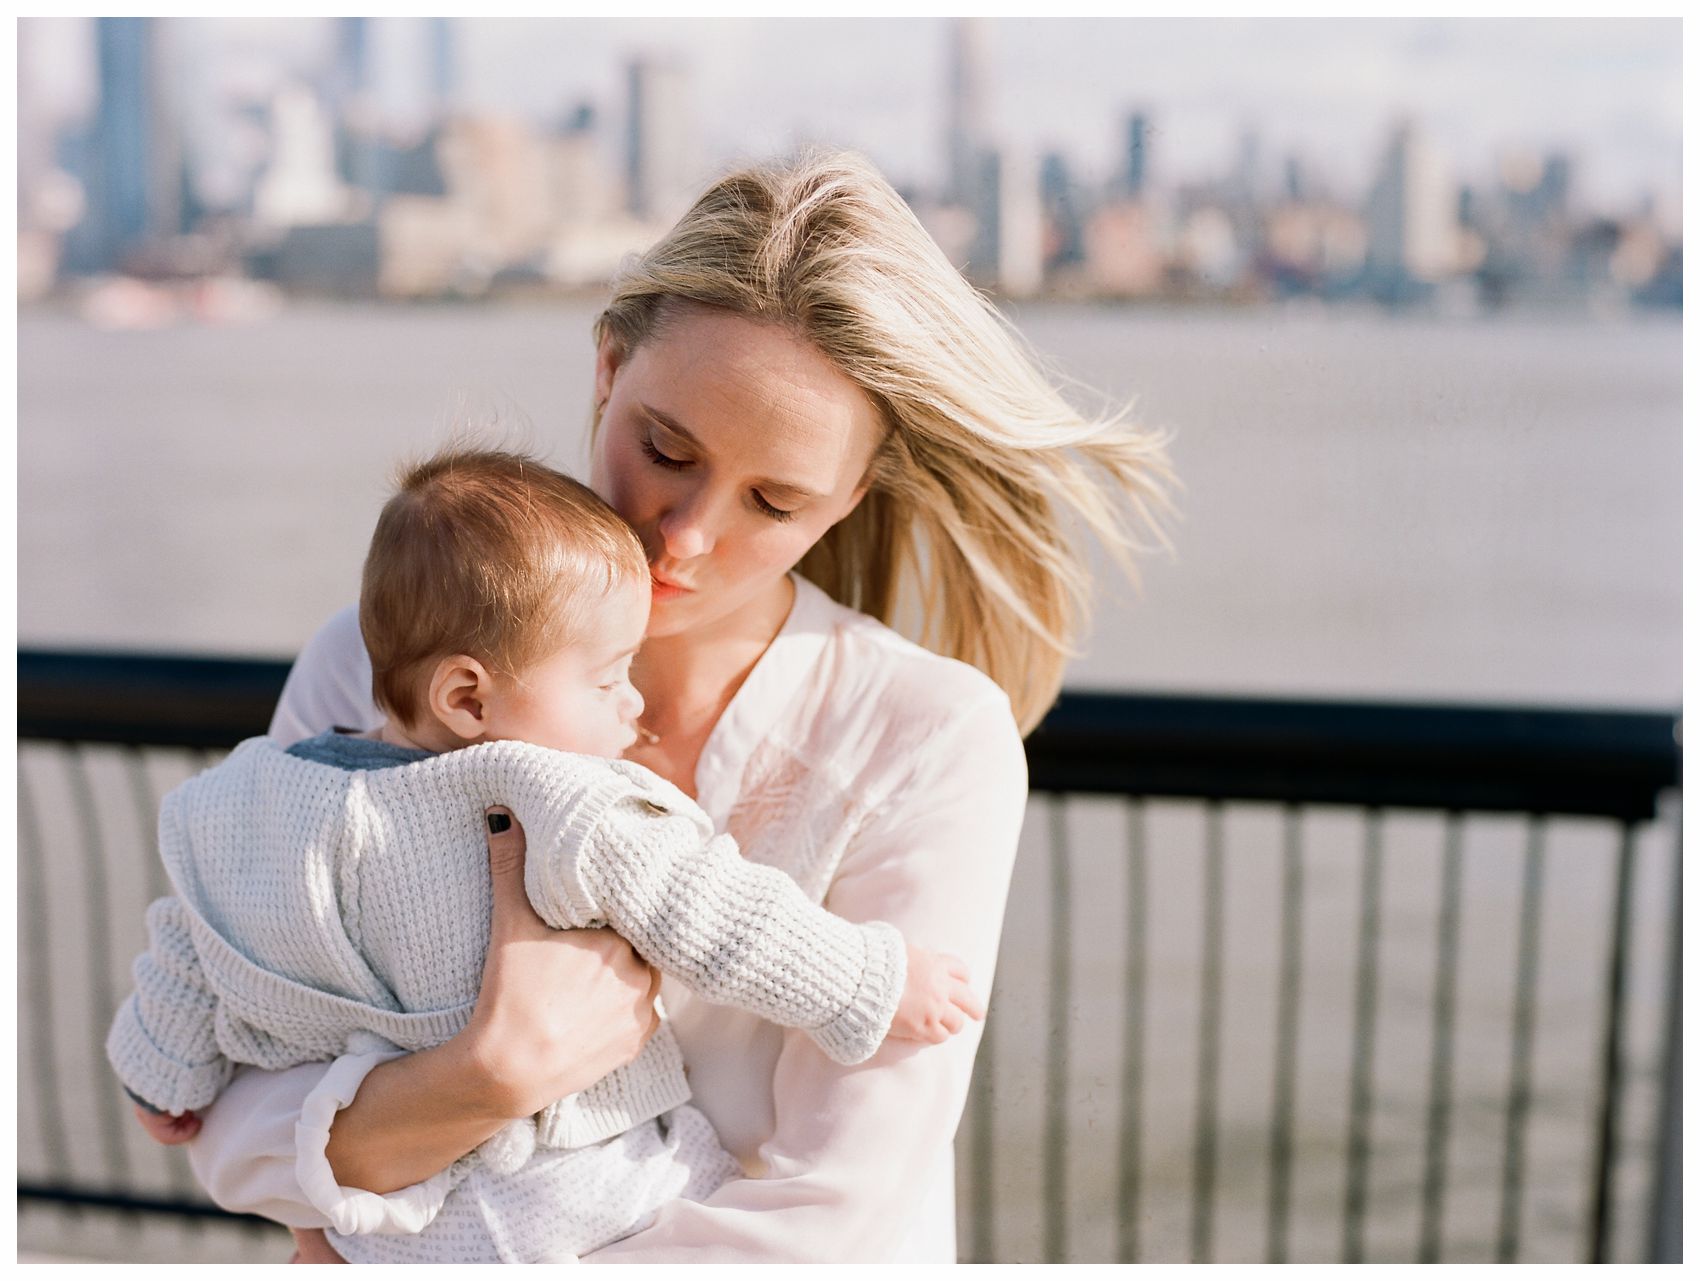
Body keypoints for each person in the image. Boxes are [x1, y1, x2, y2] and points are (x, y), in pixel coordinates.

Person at [186, 148, 1174, 1263]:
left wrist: (376, 1151)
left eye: (773, 500)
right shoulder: (383, 668)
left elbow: (829, 1221)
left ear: (850, 497)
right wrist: (490, 1076)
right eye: (665, 449)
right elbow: (228, 1129)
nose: (686, 538)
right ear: (605, 365)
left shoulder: (931, 737)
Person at [108, 448, 982, 1263]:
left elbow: (191, 946)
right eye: (608, 680)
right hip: (586, 1200)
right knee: (702, 1173)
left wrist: (161, 1077)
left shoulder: (250, 801)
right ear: (467, 697)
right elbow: (718, 914)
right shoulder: (557, 797)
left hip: (398, 1236)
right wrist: (874, 981)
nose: (632, 702)